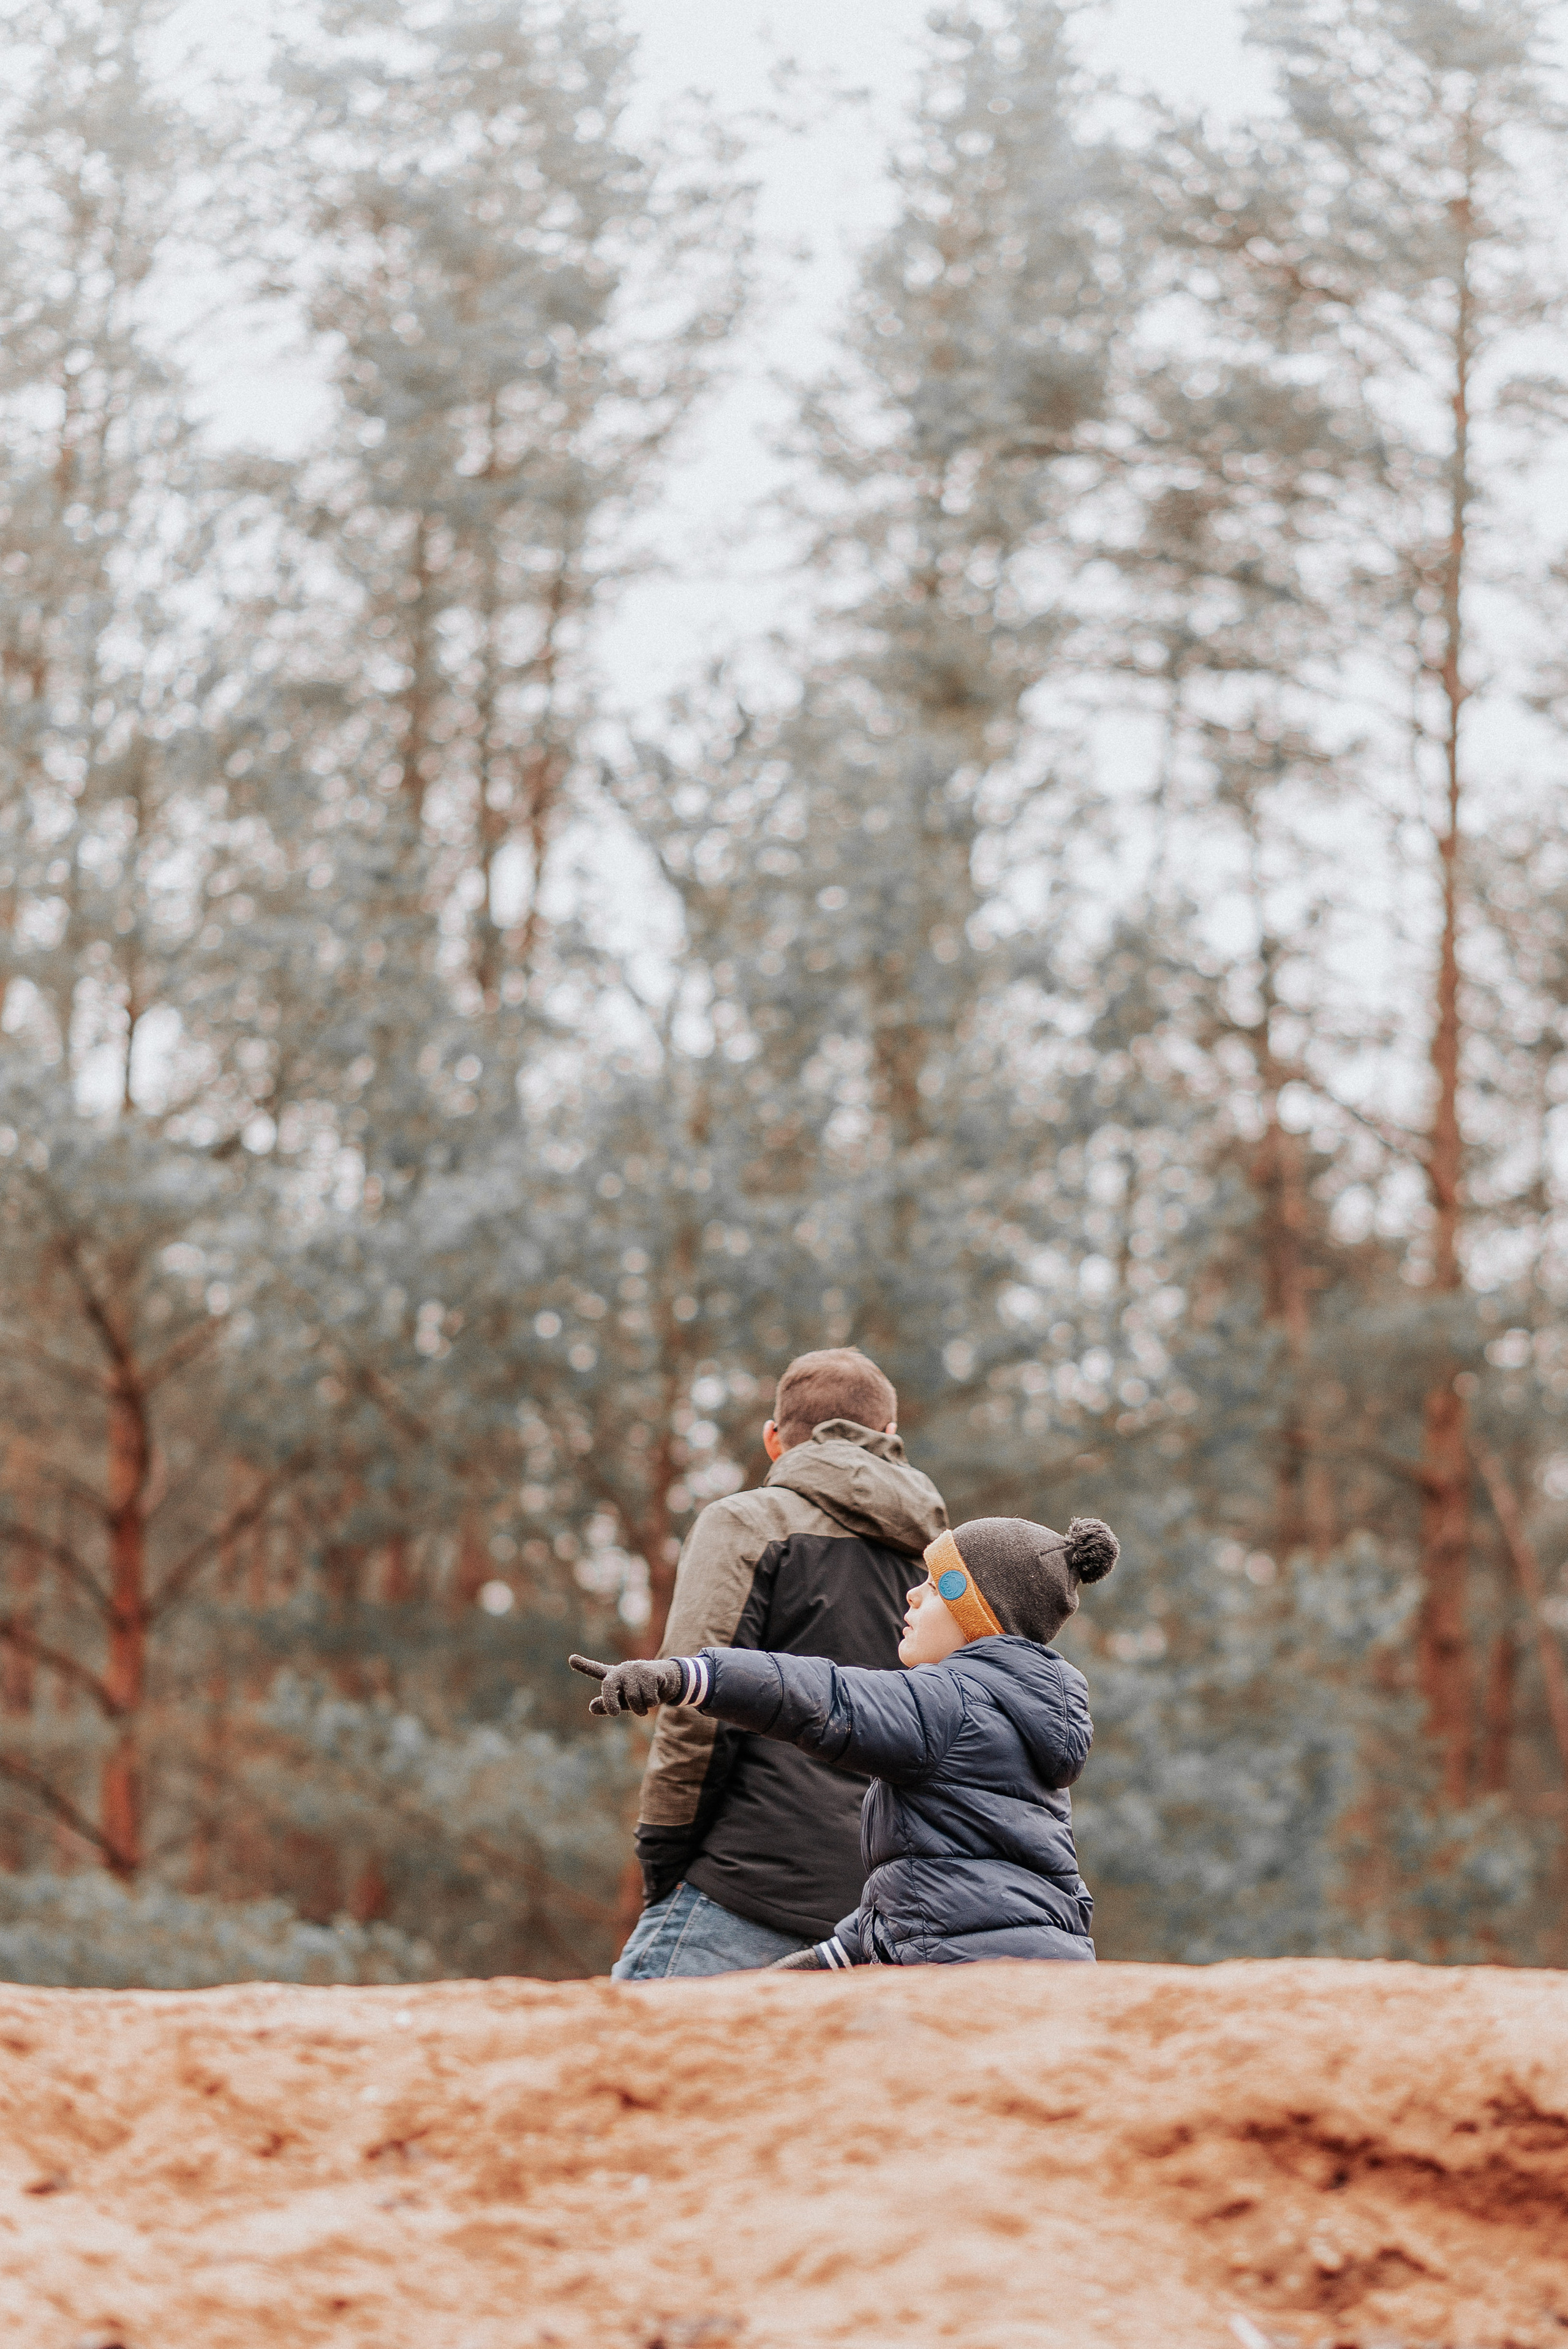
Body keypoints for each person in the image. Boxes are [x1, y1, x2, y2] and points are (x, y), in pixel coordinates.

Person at [571, 1510, 1118, 1967]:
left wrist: (687, 1676)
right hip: (1049, 1970)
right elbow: (955, 1878)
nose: (913, 1594)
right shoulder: (1023, 1721)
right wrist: (836, 1954)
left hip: (972, 1981)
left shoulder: (948, 1702)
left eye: (937, 1585)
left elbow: (825, 1696)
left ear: (979, 1616)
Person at [606, 1345, 948, 1980]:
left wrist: (663, 1855)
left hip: (742, 1888)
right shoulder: (946, 1566)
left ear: (773, 1439)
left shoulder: (745, 1523)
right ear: (890, 1436)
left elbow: (696, 1713)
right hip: (886, 1913)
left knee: (630, 2044)